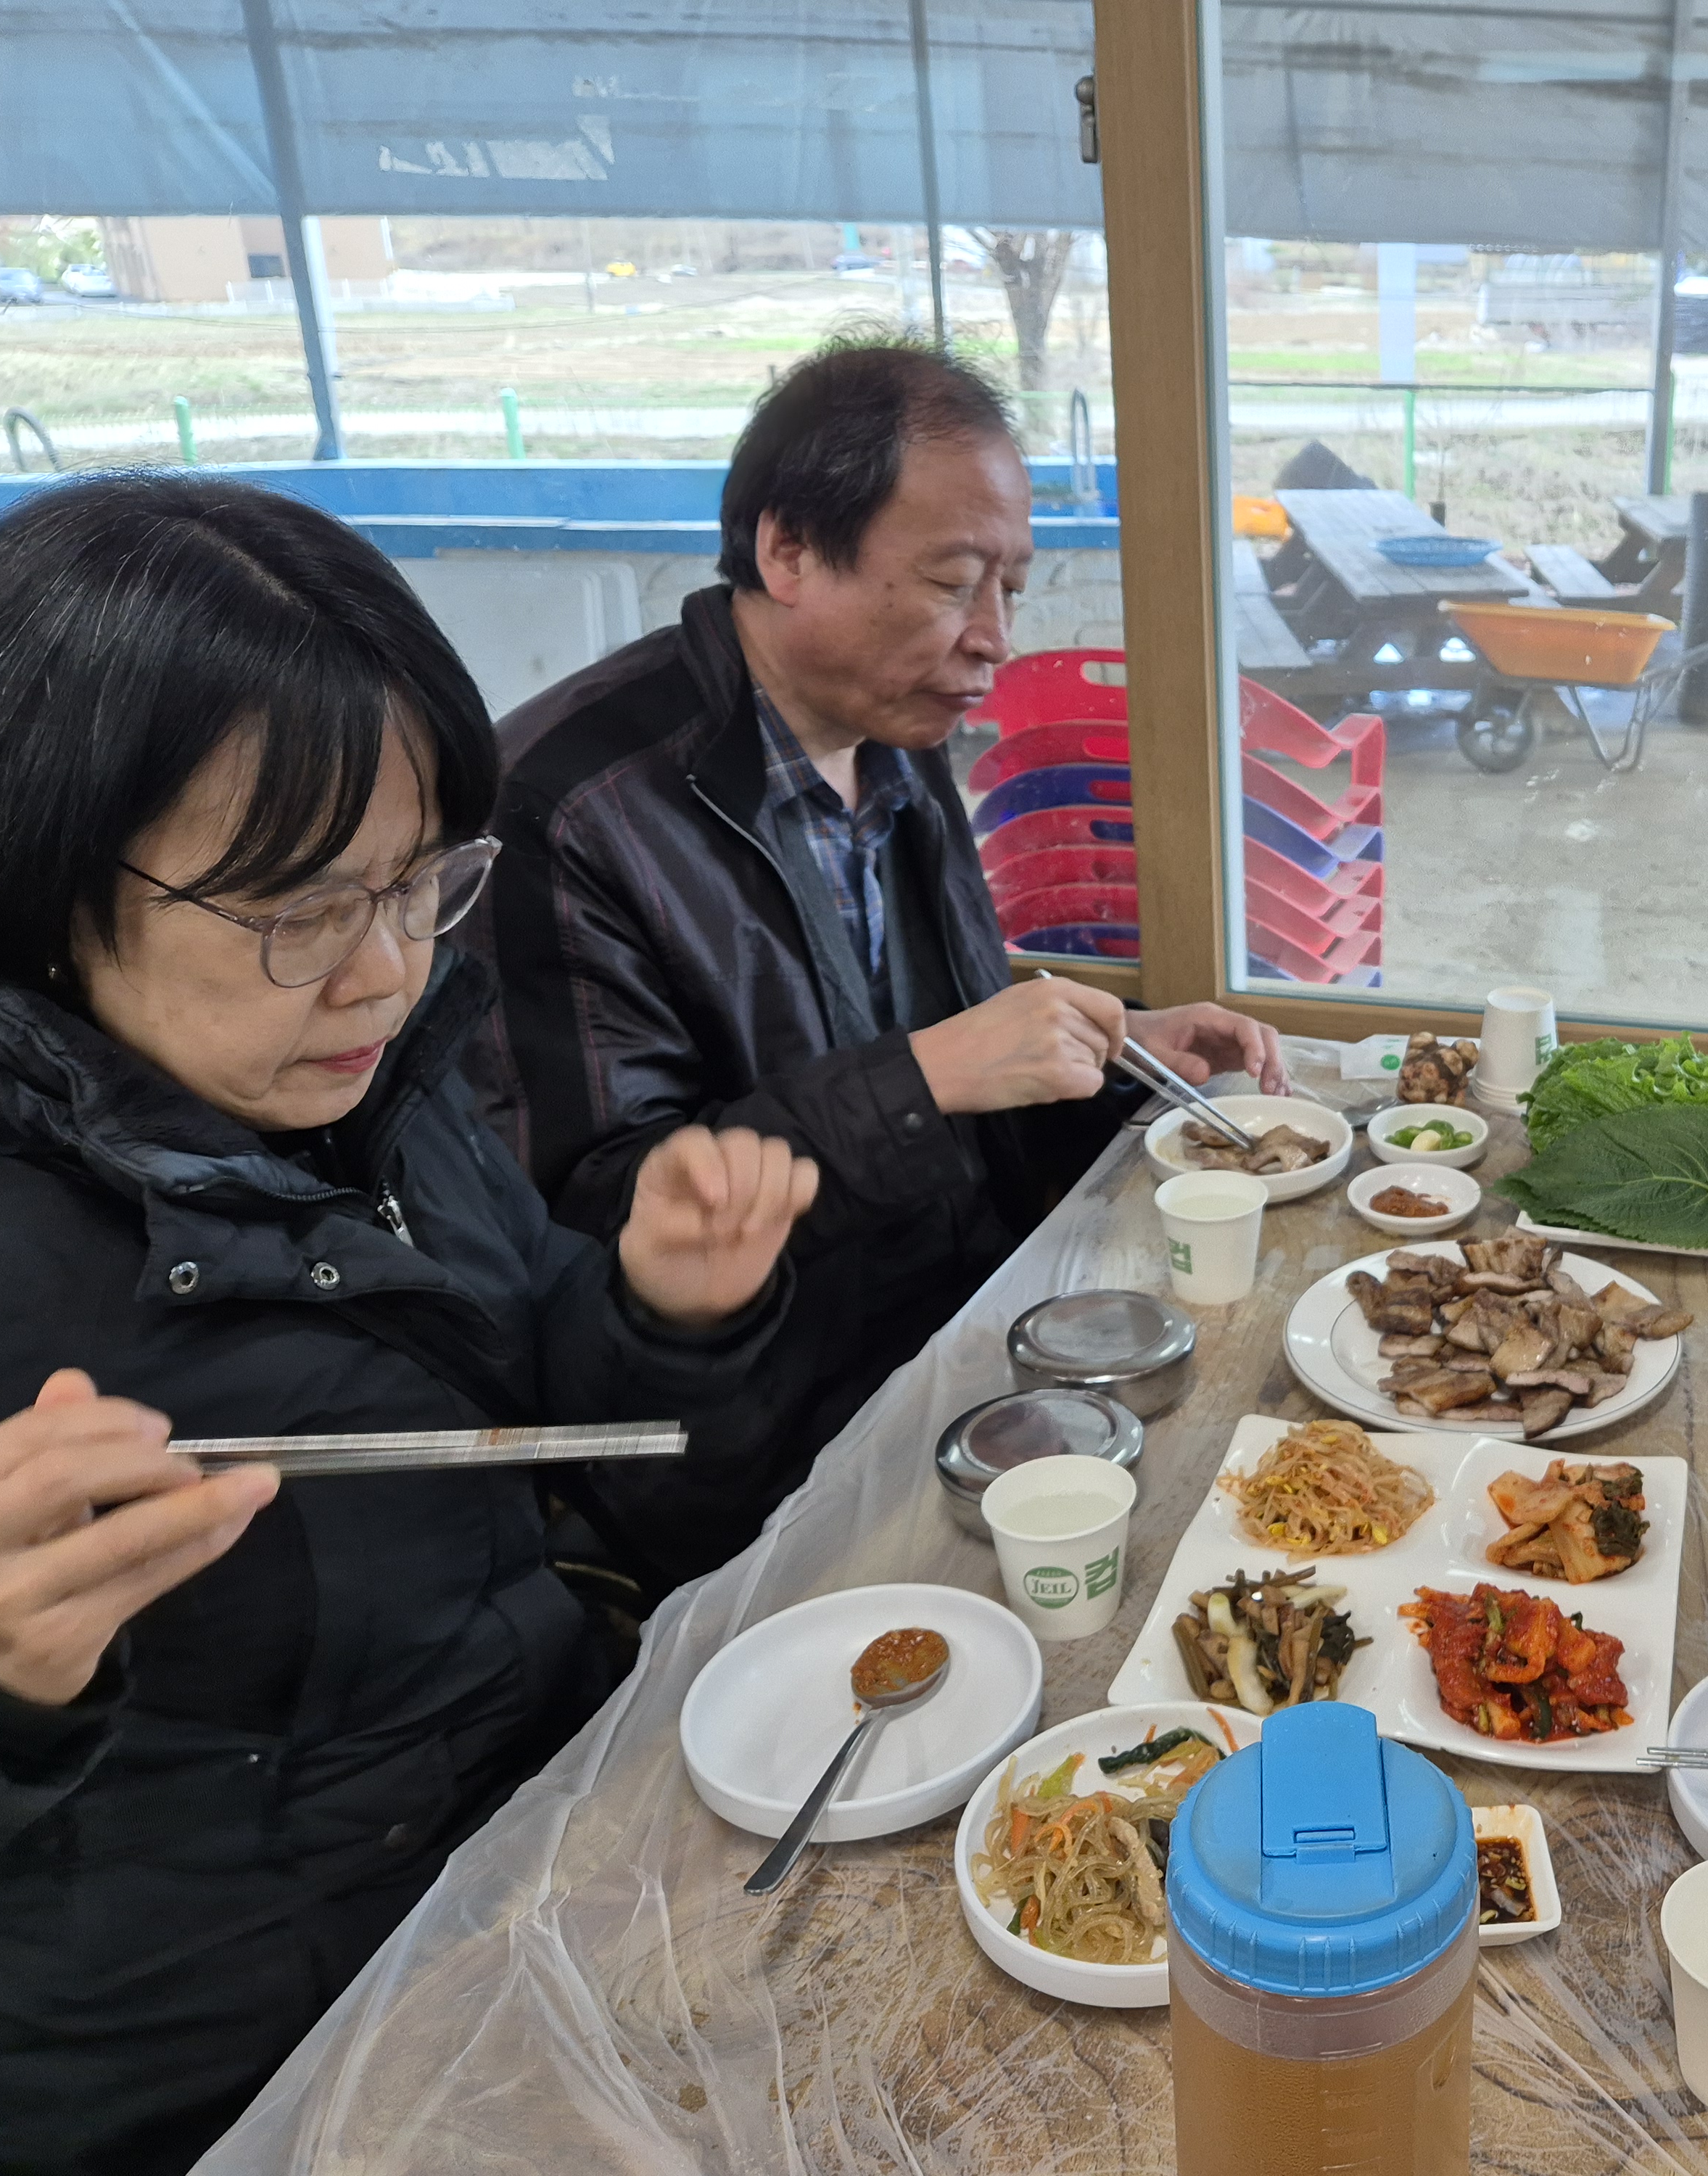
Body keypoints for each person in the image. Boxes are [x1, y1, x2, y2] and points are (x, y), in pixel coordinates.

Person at [0, 474, 820, 2173]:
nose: (385, 970)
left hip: (520, 1890)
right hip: (230, 2080)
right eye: (298, 908)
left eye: (419, 878)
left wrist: (666, 1314)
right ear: (48, 873)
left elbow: (542, 1422)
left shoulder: (373, 1083)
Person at [479, 332, 1282, 1590]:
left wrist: (1116, 1055)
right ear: (787, 549)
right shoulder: (567, 811)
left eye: (1013, 586)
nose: (996, 639)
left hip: (954, 1352)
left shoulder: (891, 735)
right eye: (958, 581)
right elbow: (608, 1214)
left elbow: (948, 1052)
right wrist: (931, 1074)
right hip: (761, 1453)